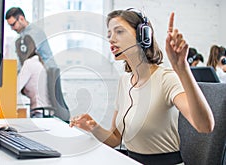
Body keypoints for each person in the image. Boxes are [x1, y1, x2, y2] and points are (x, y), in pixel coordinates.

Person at [70, 9, 214, 165]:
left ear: (143, 36)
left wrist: (182, 69)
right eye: (109, 34)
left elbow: (204, 126)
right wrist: (93, 127)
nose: (111, 39)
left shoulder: (167, 79)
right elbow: (115, 139)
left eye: (119, 31)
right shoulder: (124, 82)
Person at [17, 34, 50, 116]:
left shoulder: (29, 63)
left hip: (38, 112)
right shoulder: (37, 62)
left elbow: (15, 88)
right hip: (44, 111)